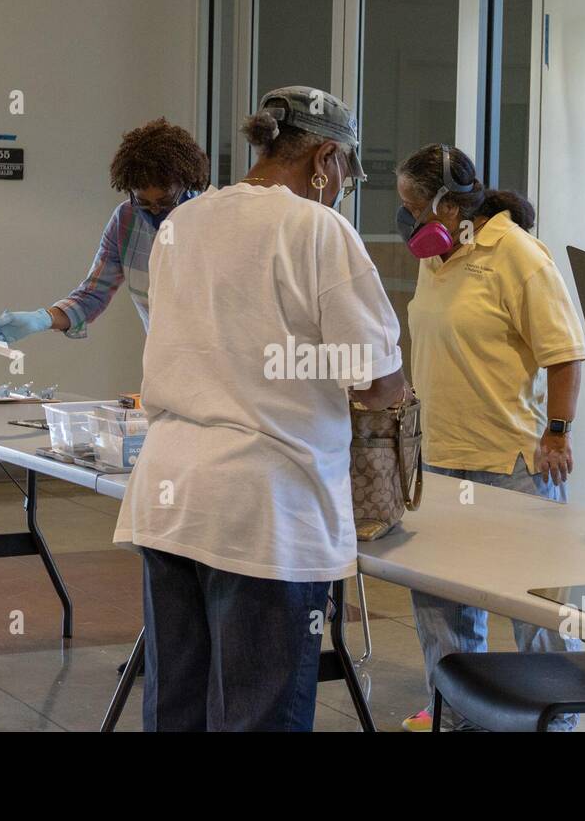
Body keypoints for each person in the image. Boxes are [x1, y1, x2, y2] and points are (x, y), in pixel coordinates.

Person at [112, 86, 407, 731]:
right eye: (345, 171)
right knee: (257, 713)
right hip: (265, 511)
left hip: (170, 494)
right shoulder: (318, 229)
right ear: (325, 157)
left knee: (177, 709)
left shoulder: (183, 223)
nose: (341, 186)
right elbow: (378, 383)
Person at [395, 143, 585, 732]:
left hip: (512, 462)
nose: (405, 218)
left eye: (412, 206)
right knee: (442, 609)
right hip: (438, 460)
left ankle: (554, 722)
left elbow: (565, 353)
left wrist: (556, 432)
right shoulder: (438, 257)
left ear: (449, 206)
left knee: (536, 609)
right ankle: (454, 712)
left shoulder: (519, 256)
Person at [0, 118, 210, 340]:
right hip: (164, 365)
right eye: (144, 203)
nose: (156, 211)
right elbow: (92, 295)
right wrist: (43, 319)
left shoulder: (215, 220)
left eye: (165, 201)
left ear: (188, 184)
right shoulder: (126, 220)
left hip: (222, 366)